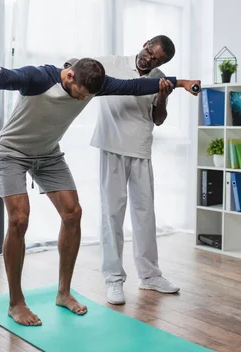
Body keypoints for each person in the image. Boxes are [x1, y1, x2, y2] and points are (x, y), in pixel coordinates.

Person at [0, 57, 200, 326]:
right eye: (80, 94)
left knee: (73, 213)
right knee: (19, 219)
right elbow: (8, 77)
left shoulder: (95, 85)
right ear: (69, 78)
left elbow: (135, 85)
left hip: (48, 153)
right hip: (11, 153)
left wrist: (180, 83)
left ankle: (63, 293)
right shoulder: (40, 78)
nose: (82, 100)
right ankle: (16, 303)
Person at [68, 35, 180, 305]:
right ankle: (114, 279)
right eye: (149, 53)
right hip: (112, 146)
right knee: (112, 214)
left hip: (141, 148)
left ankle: (150, 276)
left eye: (157, 60)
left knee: (145, 215)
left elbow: (159, 119)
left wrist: (163, 97)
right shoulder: (113, 63)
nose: (149, 60)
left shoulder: (159, 77)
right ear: (145, 43)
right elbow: (76, 65)